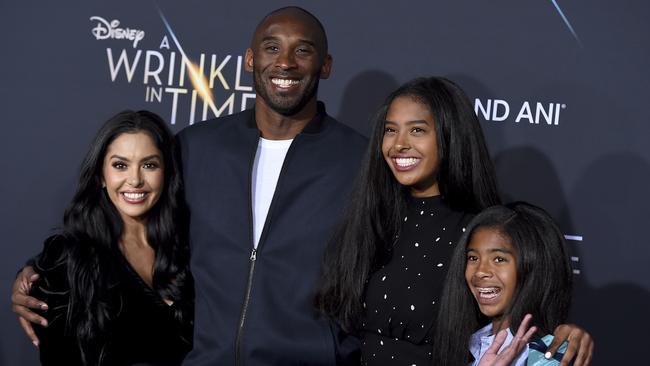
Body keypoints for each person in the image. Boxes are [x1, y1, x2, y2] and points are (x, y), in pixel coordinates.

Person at [315, 77, 593, 365]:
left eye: (417, 130)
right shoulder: (372, 219)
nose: (399, 144)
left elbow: (522, 321)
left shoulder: (481, 233)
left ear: (450, 136)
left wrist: (561, 333)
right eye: (390, 130)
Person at [20, 110, 193, 365]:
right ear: (101, 175)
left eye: (149, 164)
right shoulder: (69, 258)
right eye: (120, 165)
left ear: (166, 173)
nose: (134, 180)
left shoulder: (188, 250)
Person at [433, 202, 581, 365]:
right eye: (473, 258)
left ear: (534, 266)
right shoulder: (467, 342)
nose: (480, 271)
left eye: (499, 259)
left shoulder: (547, 355)